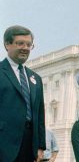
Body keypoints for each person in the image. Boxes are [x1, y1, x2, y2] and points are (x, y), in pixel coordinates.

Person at [0, 25, 46, 161]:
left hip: (29, 145)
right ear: (7, 44)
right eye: (20, 43)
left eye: (29, 45)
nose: (25, 48)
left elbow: (40, 115)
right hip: (4, 142)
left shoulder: (35, 78)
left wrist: (40, 146)